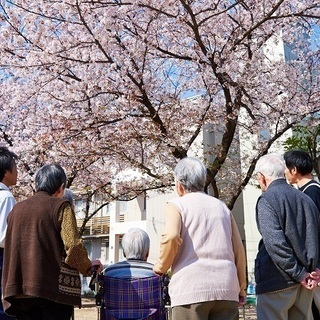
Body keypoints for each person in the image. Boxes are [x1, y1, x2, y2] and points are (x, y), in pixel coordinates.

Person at [2, 163, 103, 320]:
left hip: (19, 289)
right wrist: (88, 267)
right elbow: (73, 247)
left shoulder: (17, 209)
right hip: (52, 290)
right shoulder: (61, 206)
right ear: (61, 187)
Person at [153, 157, 246, 320]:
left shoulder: (176, 205)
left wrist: (161, 267)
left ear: (179, 185)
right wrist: (241, 287)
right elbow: (238, 249)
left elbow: (172, 236)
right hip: (226, 287)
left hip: (190, 289)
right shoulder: (222, 208)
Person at [254, 153, 320, 320]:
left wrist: (297, 272)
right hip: (305, 281)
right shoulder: (305, 198)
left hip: (277, 281)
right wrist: (312, 269)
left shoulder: (267, 200)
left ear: (262, 177)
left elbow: (275, 243)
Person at [284, 149, 320, 320]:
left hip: (316, 270)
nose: (284, 172)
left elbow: (313, 232)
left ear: (294, 170)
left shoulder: (311, 192)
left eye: (286, 168)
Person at [0, 147, 18, 320]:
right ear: (6, 172)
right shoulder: (6, 196)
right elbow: (5, 237)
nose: (17, 171)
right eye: (15, 167)